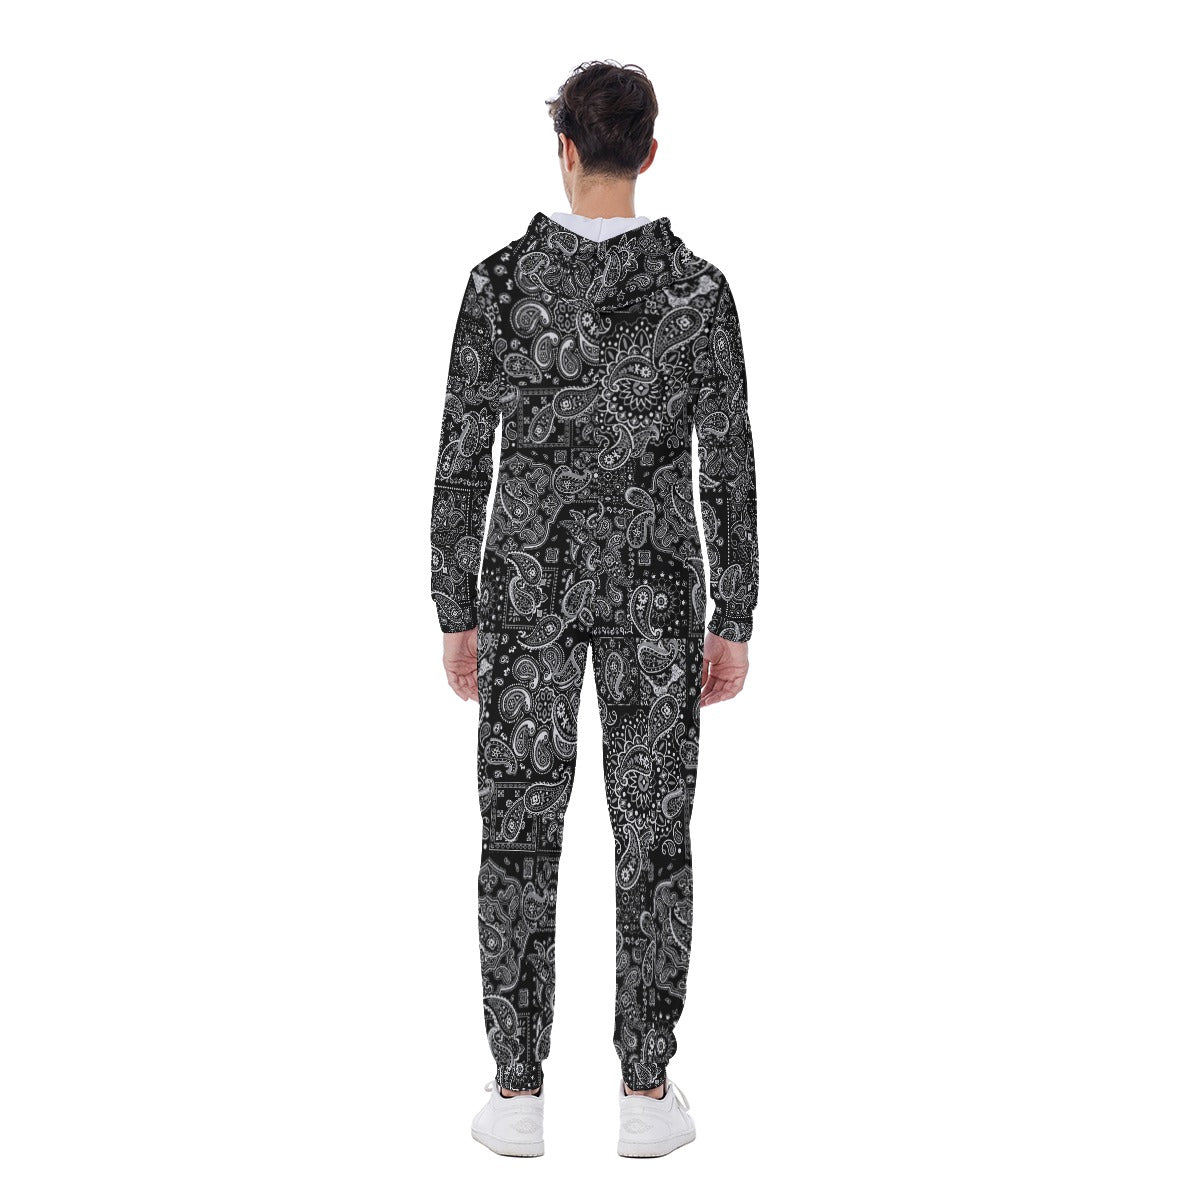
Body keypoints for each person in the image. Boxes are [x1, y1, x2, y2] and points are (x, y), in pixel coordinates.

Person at [429, 60, 760, 1158]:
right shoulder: (699, 293)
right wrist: (735, 614)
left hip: (523, 588)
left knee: (519, 829)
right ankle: (647, 1094)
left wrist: (455, 604)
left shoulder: (498, 285)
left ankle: (517, 1092)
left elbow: (462, 459)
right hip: (659, 592)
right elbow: (729, 468)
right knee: (653, 834)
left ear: (563, 148)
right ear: (649, 152)